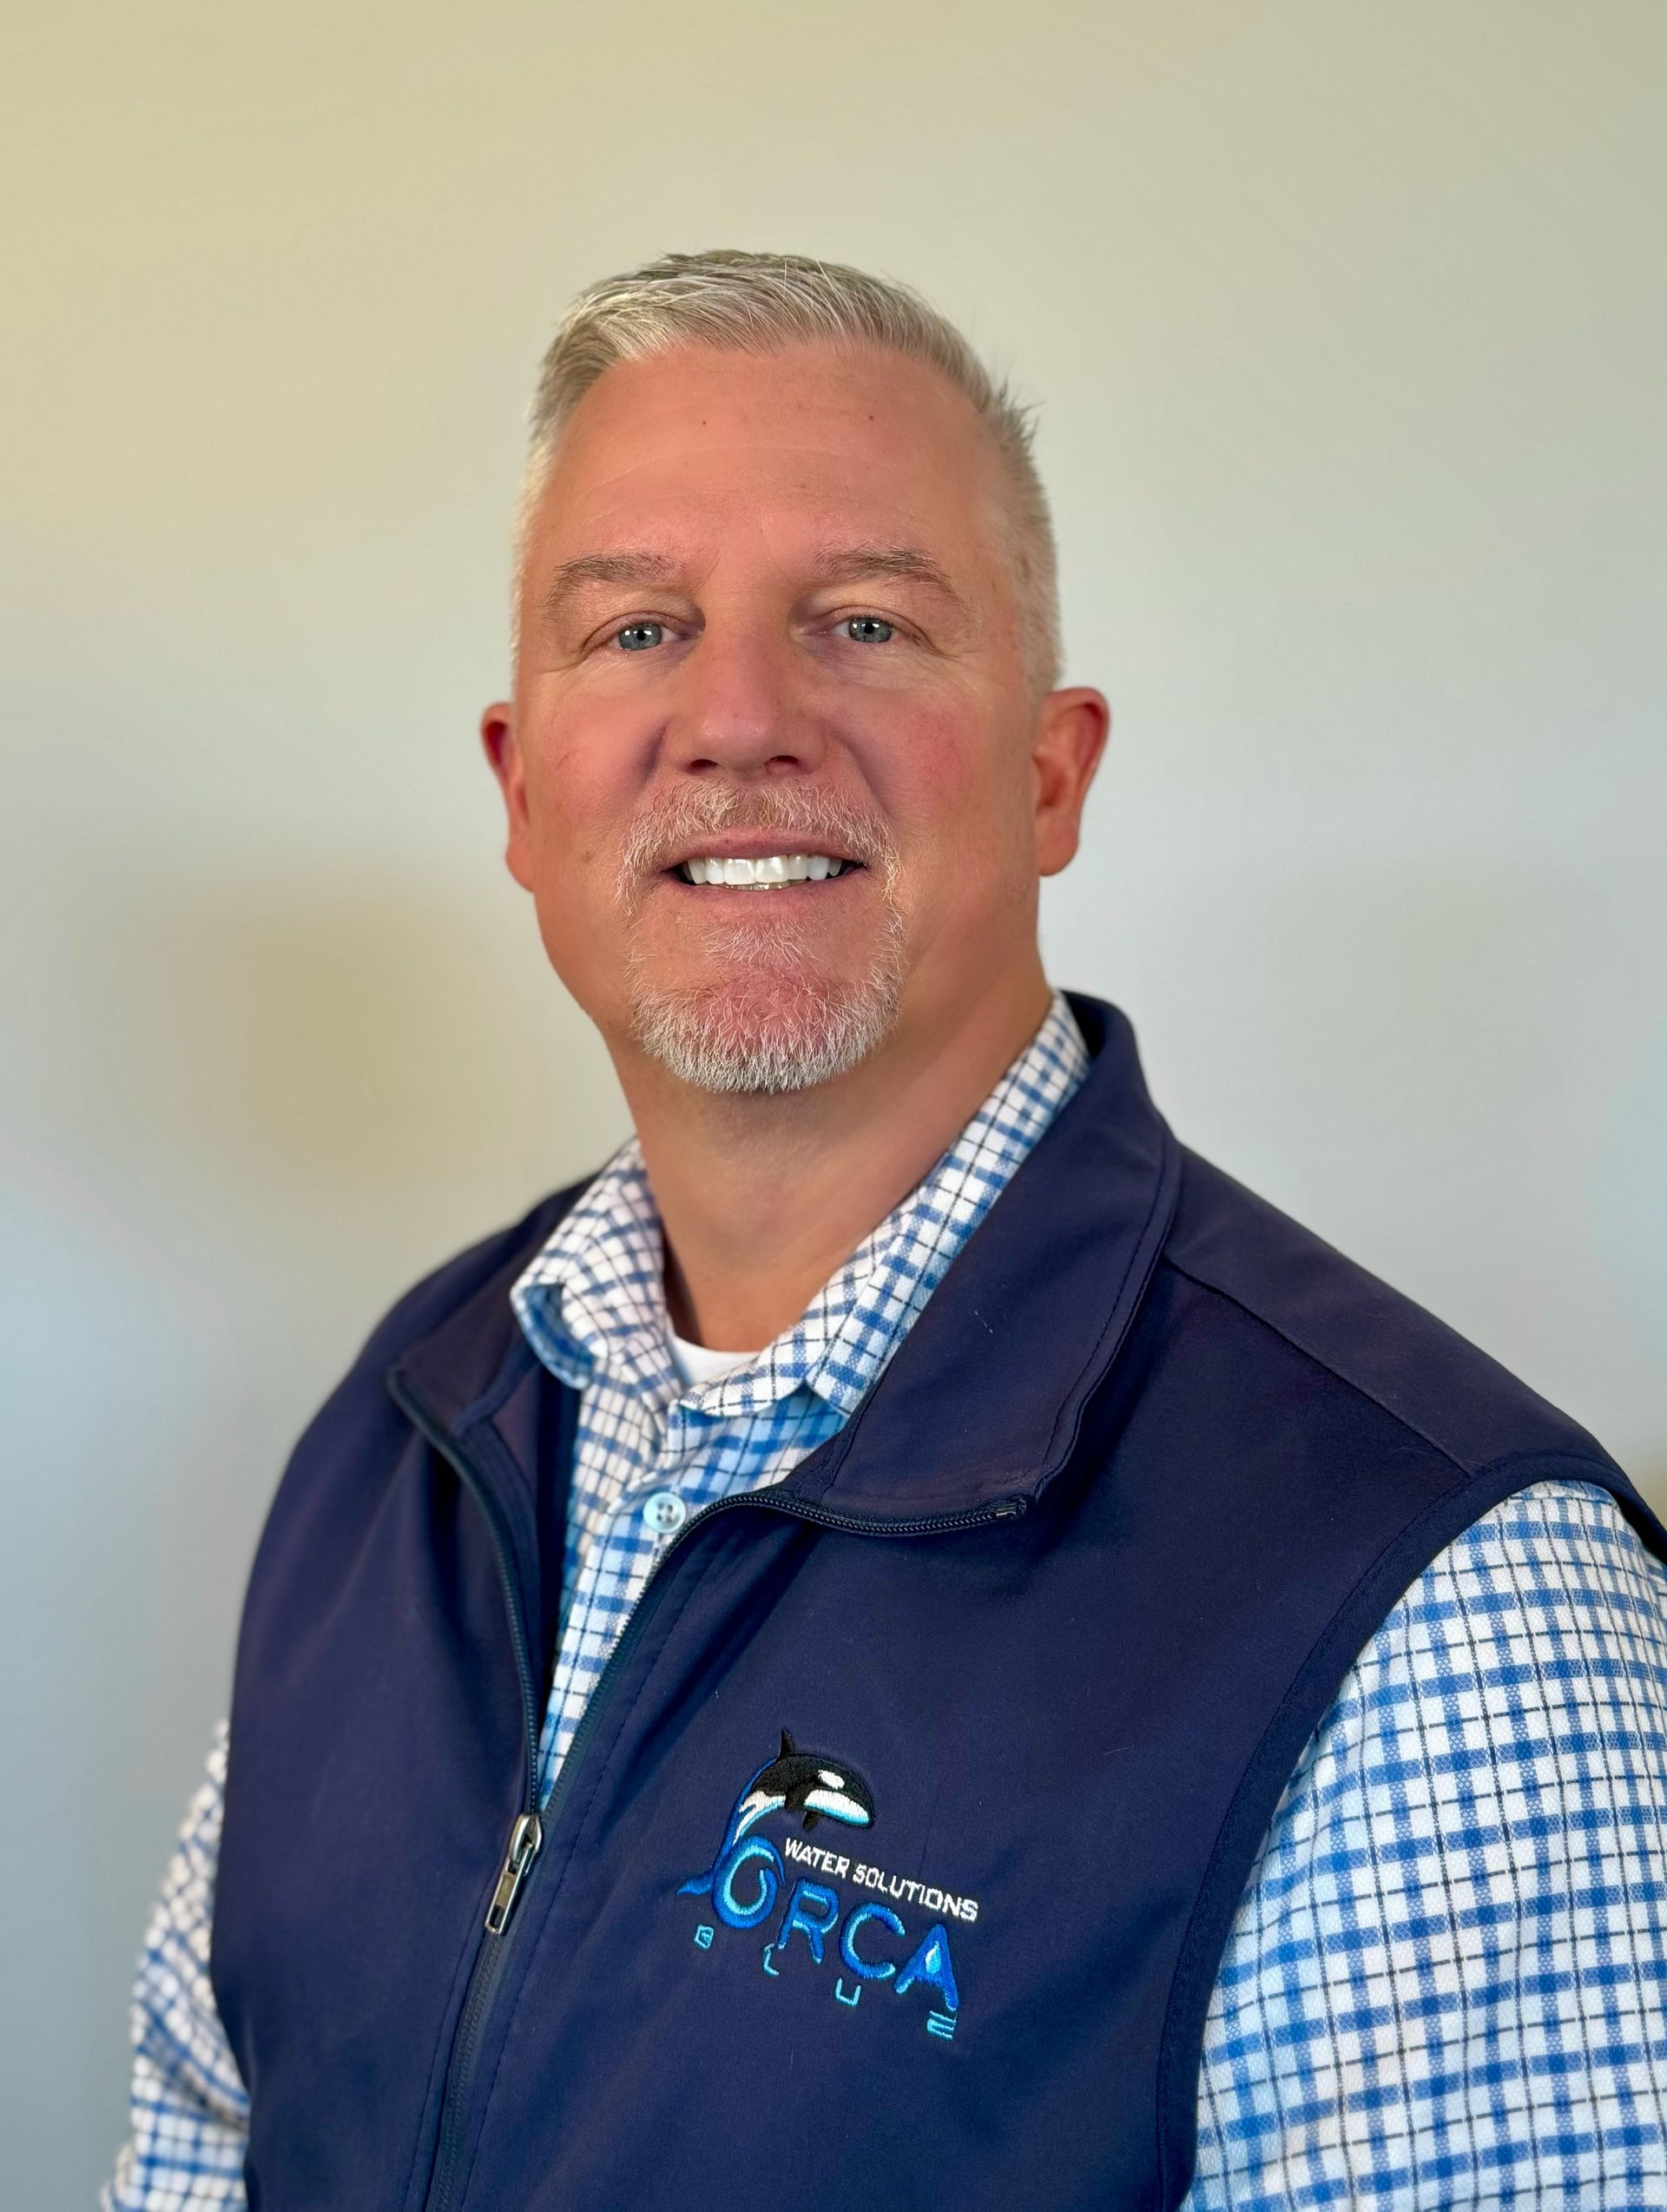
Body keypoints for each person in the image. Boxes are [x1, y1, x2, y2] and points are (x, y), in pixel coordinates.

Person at [107, 250, 1667, 2212]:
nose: (739, 718)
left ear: (1048, 768)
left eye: (862, 620)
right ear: (522, 791)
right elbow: (198, 2138)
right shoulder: (401, 1432)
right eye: (637, 628)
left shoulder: (1444, 1600)